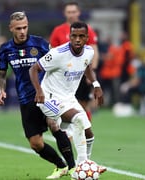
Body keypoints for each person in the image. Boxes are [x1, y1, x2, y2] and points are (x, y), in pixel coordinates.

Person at [0, 11, 76, 179]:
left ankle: (73, 167)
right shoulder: (5, 49)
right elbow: (2, 74)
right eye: (18, 28)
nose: (22, 31)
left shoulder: (40, 44)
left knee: (54, 124)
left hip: (47, 94)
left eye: (25, 27)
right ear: (11, 28)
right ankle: (60, 165)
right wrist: (1, 90)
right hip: (26, 99)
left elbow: (57, 64)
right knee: (35, 143)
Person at [29, 22, 104, 177]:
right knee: (78, 120)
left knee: (88, 132)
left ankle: (86, 164)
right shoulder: (58, 53)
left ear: (87, 38)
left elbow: (87, 66)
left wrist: (96, 84)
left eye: (81, 36)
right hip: (48, 98)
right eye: (74, 36)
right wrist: (39, 91)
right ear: (69, 36)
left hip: (68, 97)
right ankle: (80, 167)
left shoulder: (89, 52)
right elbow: (33, 69)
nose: (77, 39)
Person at [49, 1, 100, 163]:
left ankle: (82, 133)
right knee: (66, 107)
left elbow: (93, 51)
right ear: (65, 14)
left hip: (81, 75)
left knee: (83, 106)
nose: (71, 14)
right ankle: (71, 133)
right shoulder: (58, 31)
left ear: (78, 13)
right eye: (69, 12)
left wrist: (91, 74)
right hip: (63, 79)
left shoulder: (88, 30)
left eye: (74, 11)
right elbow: (52, 53)